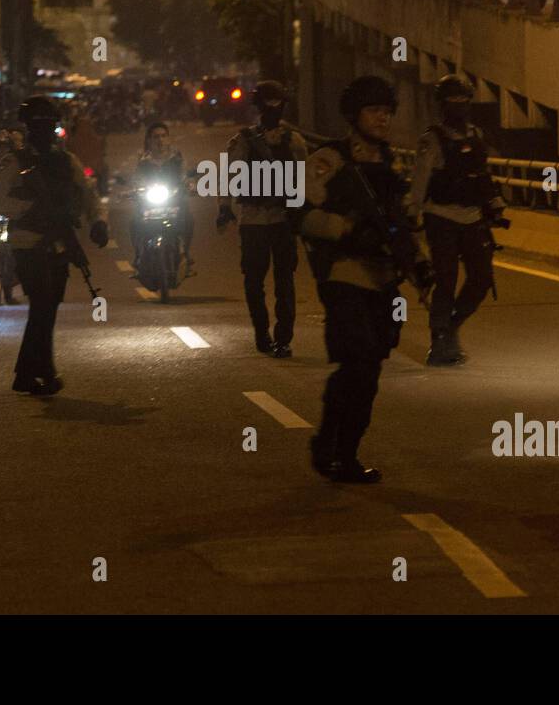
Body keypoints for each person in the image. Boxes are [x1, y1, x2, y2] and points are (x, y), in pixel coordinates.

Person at [299, 75, 434, 484]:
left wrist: (421, 265)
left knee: (371, 368)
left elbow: (406, 220)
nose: (383, 118)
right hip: (344, 274)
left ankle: (347, 452)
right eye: (374, 111)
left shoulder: (391, 163)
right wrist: (347, 228)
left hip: (382, 279)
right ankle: (327, 444)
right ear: (355, 115)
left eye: (387, 111)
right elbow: (301, 213)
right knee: (355, 360)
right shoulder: (330, 159)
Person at [0, 96, 108, 395]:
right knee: (42, 306)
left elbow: (88, 195)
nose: (43, 130)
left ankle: (27, 374)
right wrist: (32, 209)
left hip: (58, 243)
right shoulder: (14, 161)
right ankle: (45, 371)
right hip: (28, 243)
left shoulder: (67, 161)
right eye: (37, 125)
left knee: (48, 309)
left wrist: (99, 222)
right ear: (28, 127)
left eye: (48, 125)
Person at [409, 75, 508, 367]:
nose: (459, 106)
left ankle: (452, 325)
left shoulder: (475, 135)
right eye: (452, 101)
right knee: (446, 278)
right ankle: (439, 339)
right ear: (442, 104)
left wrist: (495, 203)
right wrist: (412, 214)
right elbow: (420, 179)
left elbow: (482, 174)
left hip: (473, 217)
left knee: (481, 279)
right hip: (441, 216)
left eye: (464, 100)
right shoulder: (431, 139)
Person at [216, 80, 310, 357]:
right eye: (267, 103)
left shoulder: (294, 140)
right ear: (258, 106)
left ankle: (283, 338)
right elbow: (228, 175)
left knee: (285, 281)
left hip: (283, 220)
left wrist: (304, 211)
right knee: (254, 281)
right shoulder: (244, 141)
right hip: (253, 220)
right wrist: (224, 207)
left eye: (276, 103)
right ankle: (261, 333)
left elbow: (305, 179)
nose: (273, 109)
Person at [132, 122, 194, 272]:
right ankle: (138, 254)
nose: (160, 140)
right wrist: (134, 190)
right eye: (156, 137)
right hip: (149, 202)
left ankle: (185, 251)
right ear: (149, 140)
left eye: (163, 136)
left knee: (189, 218)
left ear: (168, 139)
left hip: (173, 200)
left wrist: (188, 185)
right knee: (133, 222)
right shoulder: (142, 159)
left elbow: (184, 175)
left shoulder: (177, 157)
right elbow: (137, 178)